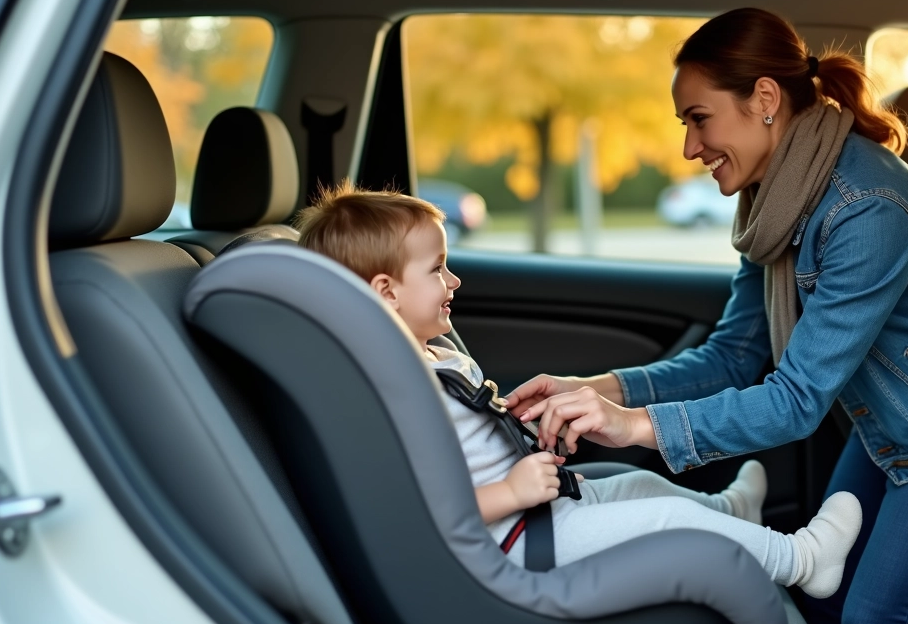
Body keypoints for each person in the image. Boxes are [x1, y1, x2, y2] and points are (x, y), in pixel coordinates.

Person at [504, 8, 908, 624]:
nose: (690, 147)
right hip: (892, 427)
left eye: (699, 119)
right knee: (822, 594)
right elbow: (733, 356)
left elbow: (795, 401)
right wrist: (599, 390)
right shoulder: (776, 201)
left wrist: (634, 427)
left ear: (764, 99)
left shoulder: (868, 205)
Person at [294, 181, 862, 594]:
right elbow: (417, 510)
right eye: (437, 269)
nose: (454, 280)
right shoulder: (392, 394)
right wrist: (511, 490)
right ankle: (801, 560)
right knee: (664, 522)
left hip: (536, 514)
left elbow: (467, 444)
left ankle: (730, 510)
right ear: (387, 292)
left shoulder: (430, 357)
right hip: (515, 542)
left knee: (640, 485)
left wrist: (520, 438)